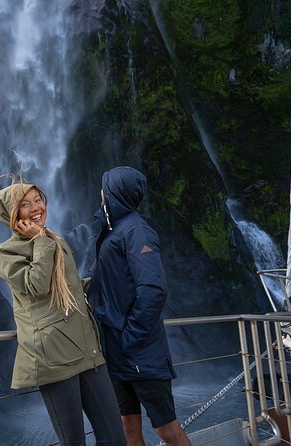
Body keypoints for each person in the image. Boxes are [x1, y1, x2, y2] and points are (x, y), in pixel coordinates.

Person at [0, 181, 126, 446]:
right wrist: (40, 241)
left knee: (115, 438)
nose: (35, 208)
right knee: (73, 441)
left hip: (88, 350)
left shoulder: (55, 239)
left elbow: (70, 286)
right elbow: (37, 286)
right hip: (53, 357)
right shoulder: (7, 252)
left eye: (38, 200)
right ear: (12, 215)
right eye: (25, 205)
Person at [87, 166, 191, 446]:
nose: (100, 193)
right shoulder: (114, 231)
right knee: (127, 426)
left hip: (139, 351)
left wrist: (130, 336)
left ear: (113, 192)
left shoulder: (136, 231)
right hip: (117, 350)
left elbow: (154, 290)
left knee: (166, 429)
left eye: (104, 187)